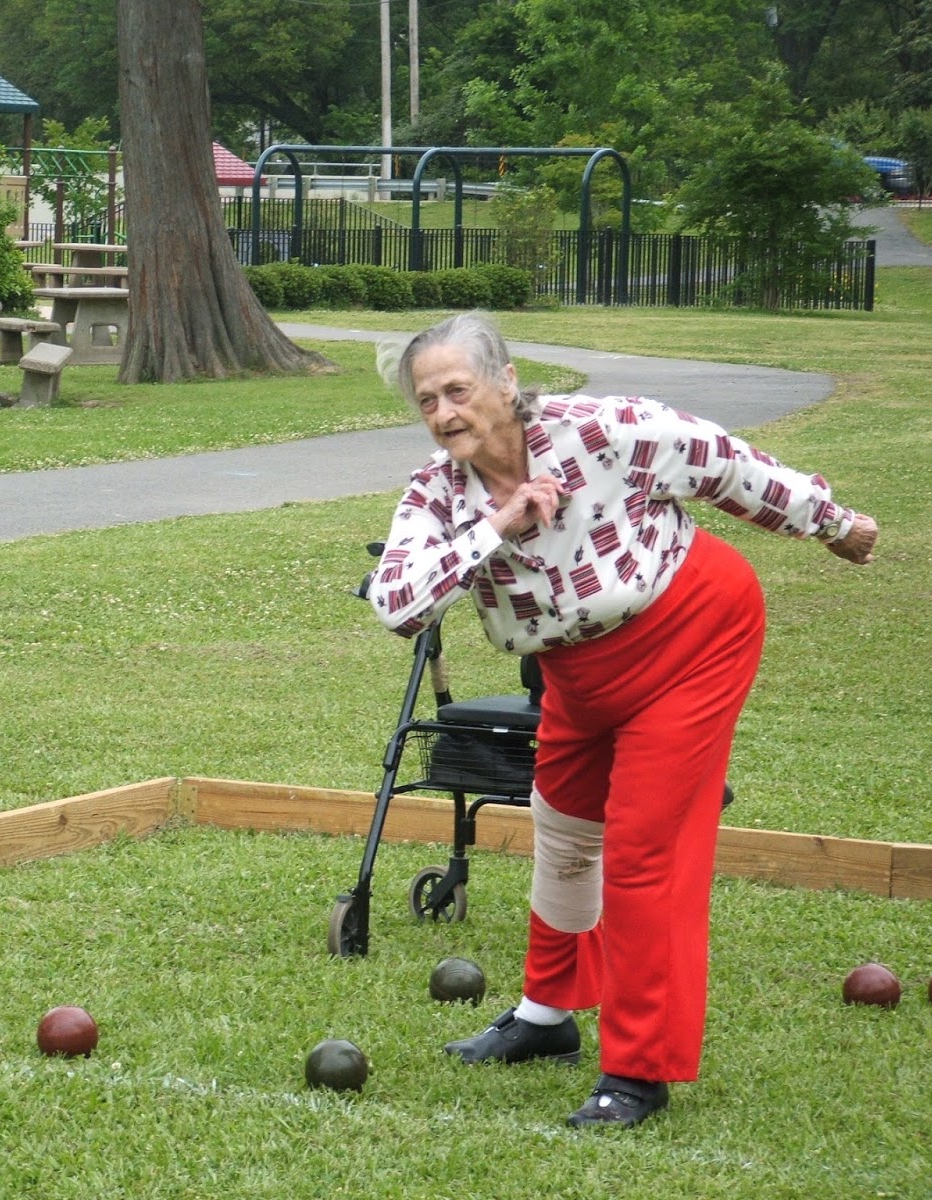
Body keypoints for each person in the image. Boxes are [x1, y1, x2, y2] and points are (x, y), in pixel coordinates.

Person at [368, 311, 878, 1129]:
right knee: (564, 829)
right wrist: (497, 528)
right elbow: (399, 603)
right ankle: (547, 1015)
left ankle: (639, 1069)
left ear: (504, 382)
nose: (443, 413)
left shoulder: (603, 431)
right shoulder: (438, 493)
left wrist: (833, 523)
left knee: (644, 848)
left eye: (457, 390)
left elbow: (725, 464)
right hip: (578, 669)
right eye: (427, 400)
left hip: (693, 633)